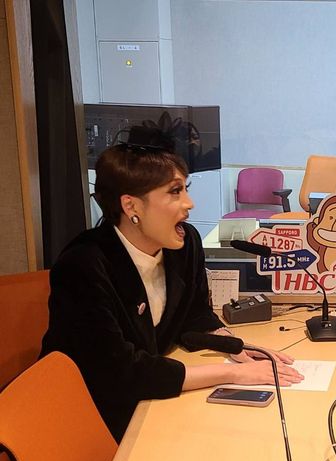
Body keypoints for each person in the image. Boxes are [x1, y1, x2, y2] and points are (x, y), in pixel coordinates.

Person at [41, 129, 303, 442]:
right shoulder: (84, 266)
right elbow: (122, 373)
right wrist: (233, 373)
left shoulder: (184, 242)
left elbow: (194, 314)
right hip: (90, 417)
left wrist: (233, 346)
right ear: (131, 207)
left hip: (151, 401)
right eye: (175, 192)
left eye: (185, 189)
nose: (189, 204)